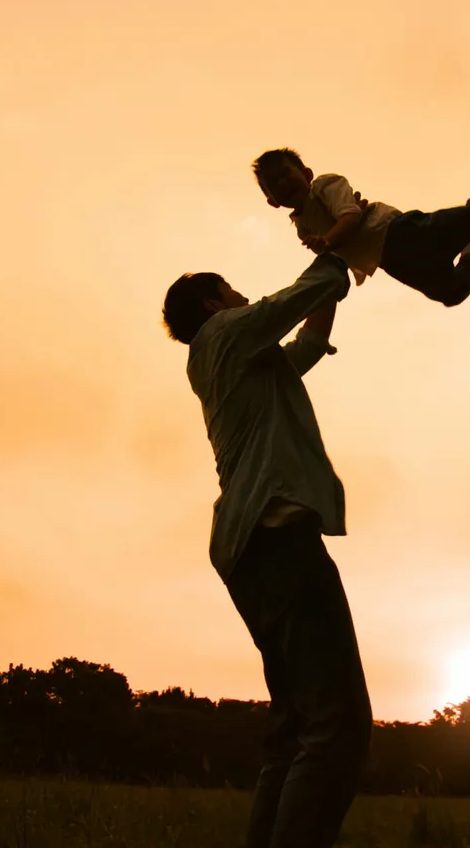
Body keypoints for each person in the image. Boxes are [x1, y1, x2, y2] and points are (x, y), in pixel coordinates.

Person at [162, 251, 371, 848]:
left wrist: (333, 284)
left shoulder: (241, 360)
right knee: (338, 726)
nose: (242, 295)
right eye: (231, 288)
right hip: (275, 532)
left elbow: (308, 340)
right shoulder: (226, 332)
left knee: (296, 726)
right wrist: (337, 248)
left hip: (250, 545)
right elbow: (299, 296)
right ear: (213, 302)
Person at [251, 146, 470, 307]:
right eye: (273, 184)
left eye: (285, 174)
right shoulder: (301, 227)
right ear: (272, 201)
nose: (282, 183)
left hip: (400, 233)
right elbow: (334, 258)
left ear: (306, 173)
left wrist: (328, 241)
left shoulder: (325, 186)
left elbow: (351, 218)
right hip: (389, 261)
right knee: (450, 292)